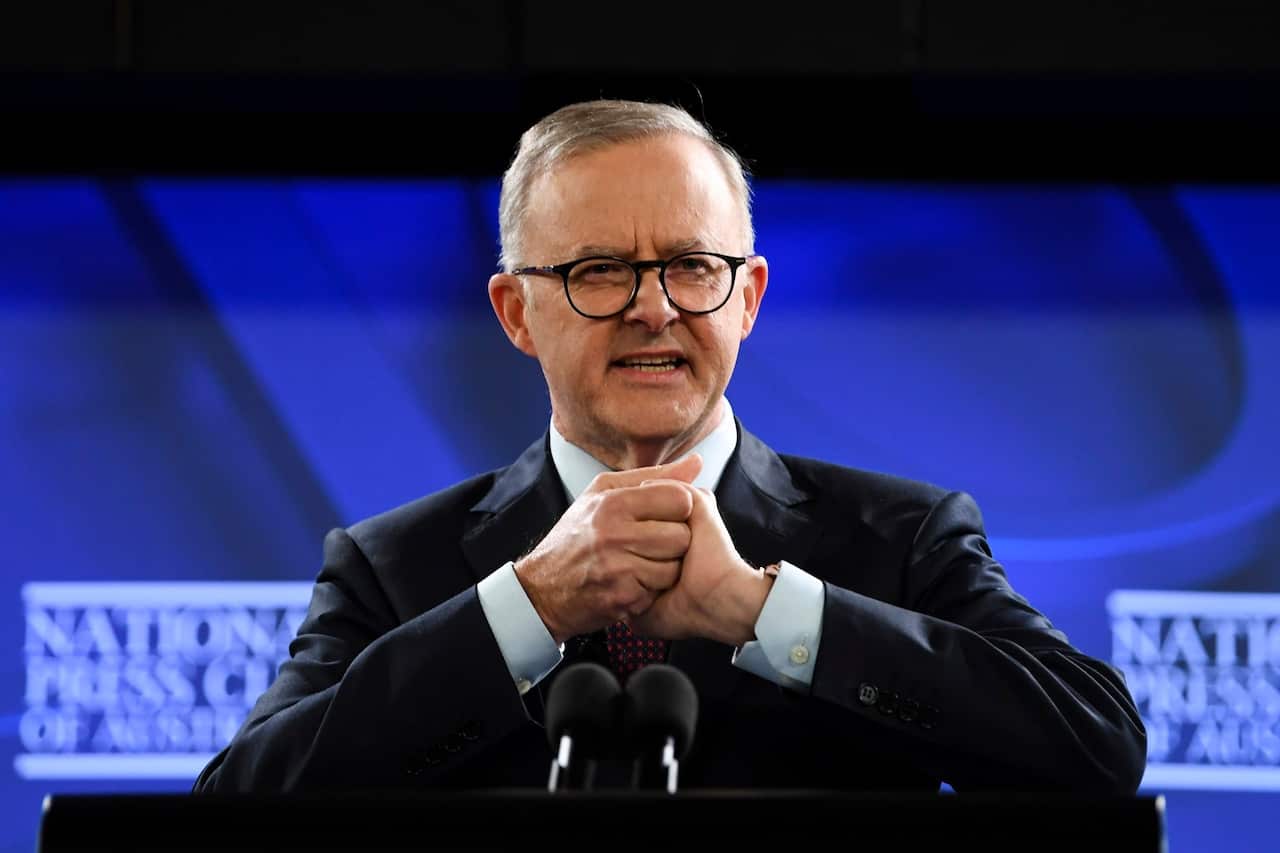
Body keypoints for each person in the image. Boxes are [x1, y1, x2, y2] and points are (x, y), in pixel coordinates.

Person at [193, 99, 1146, 793]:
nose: (654, 308)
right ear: (515, 312)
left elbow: (1096, 743)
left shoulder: (900, 537)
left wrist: (763, 610)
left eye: (693, 267)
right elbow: (239, 805)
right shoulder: (395, 565)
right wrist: (530, 604)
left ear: (750, 297)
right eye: (599, 270)